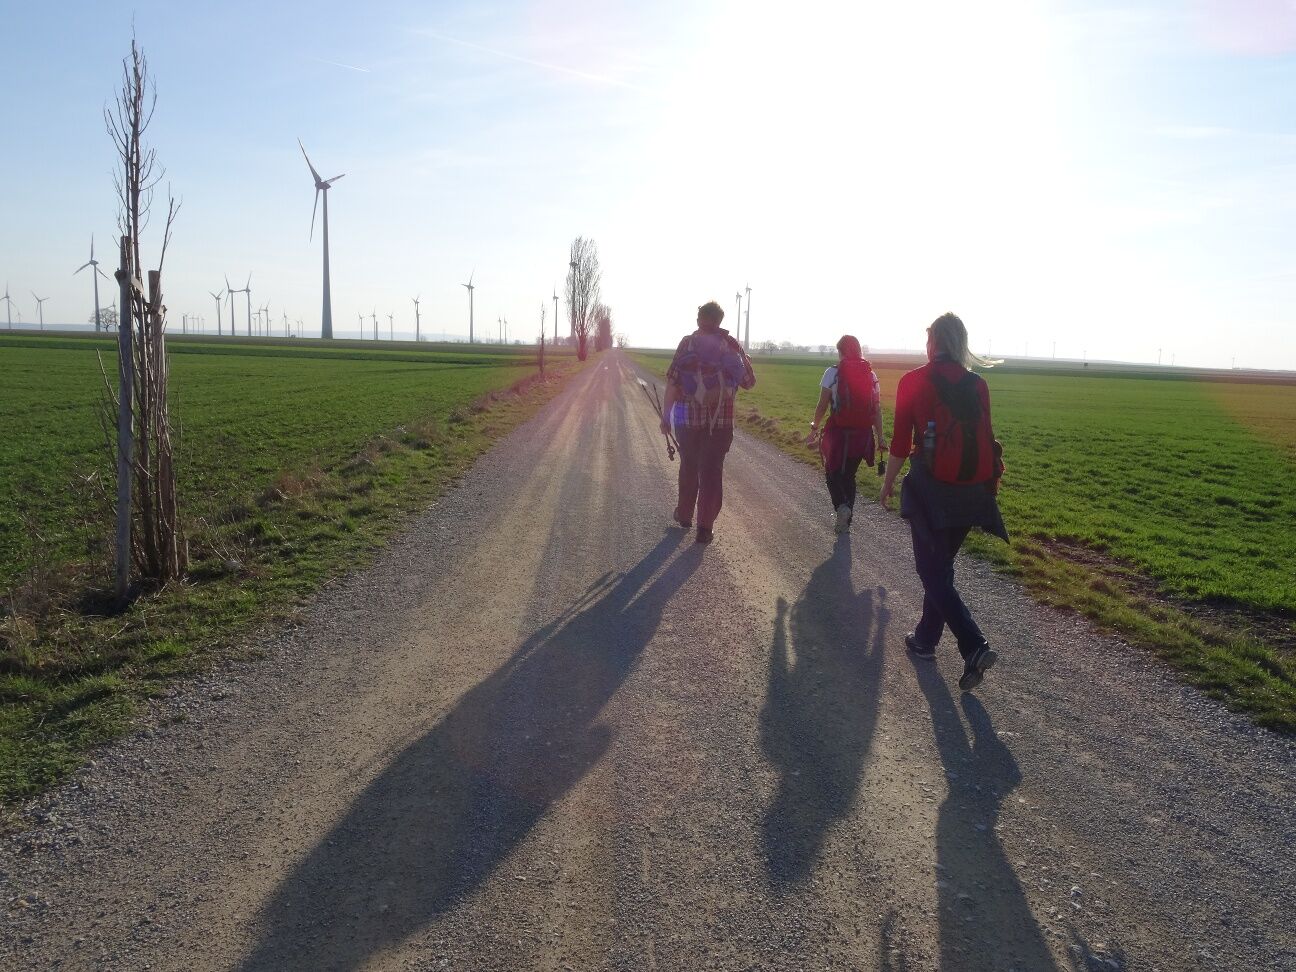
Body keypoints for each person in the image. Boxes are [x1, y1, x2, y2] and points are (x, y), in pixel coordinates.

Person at [879, 312, 1008, 690]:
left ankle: (974, 645)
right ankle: (925, 639)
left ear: (933, 341)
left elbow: (900, 443)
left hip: (931, 491)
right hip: (973, 493)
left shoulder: (913, 381)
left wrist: (887, 484)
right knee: (941, 568)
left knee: (931, 571)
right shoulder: (978, 384)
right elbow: (987, 438)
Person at [660, 300, 756, 543]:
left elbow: (673, 383)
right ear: (720, 321)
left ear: (698, 320)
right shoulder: (731, 344)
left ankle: (684, 515)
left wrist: (666, 417)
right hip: (720, 423)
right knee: (712, 472)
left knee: (689, 466)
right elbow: (748, 382)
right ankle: (705, 527)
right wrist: (745, 361)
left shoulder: (687, 344)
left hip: (687, 420)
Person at [807, 335, 887, 533]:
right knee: (849, 475)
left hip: (838, 435)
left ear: (841, 352)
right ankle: (845, 520)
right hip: (863, 436)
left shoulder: (832, 372)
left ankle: (842, 507)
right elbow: (876, 409)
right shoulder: (871, 374)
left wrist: (814, 427)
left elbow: (822, 405)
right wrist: (880, 437)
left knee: (832, 473)